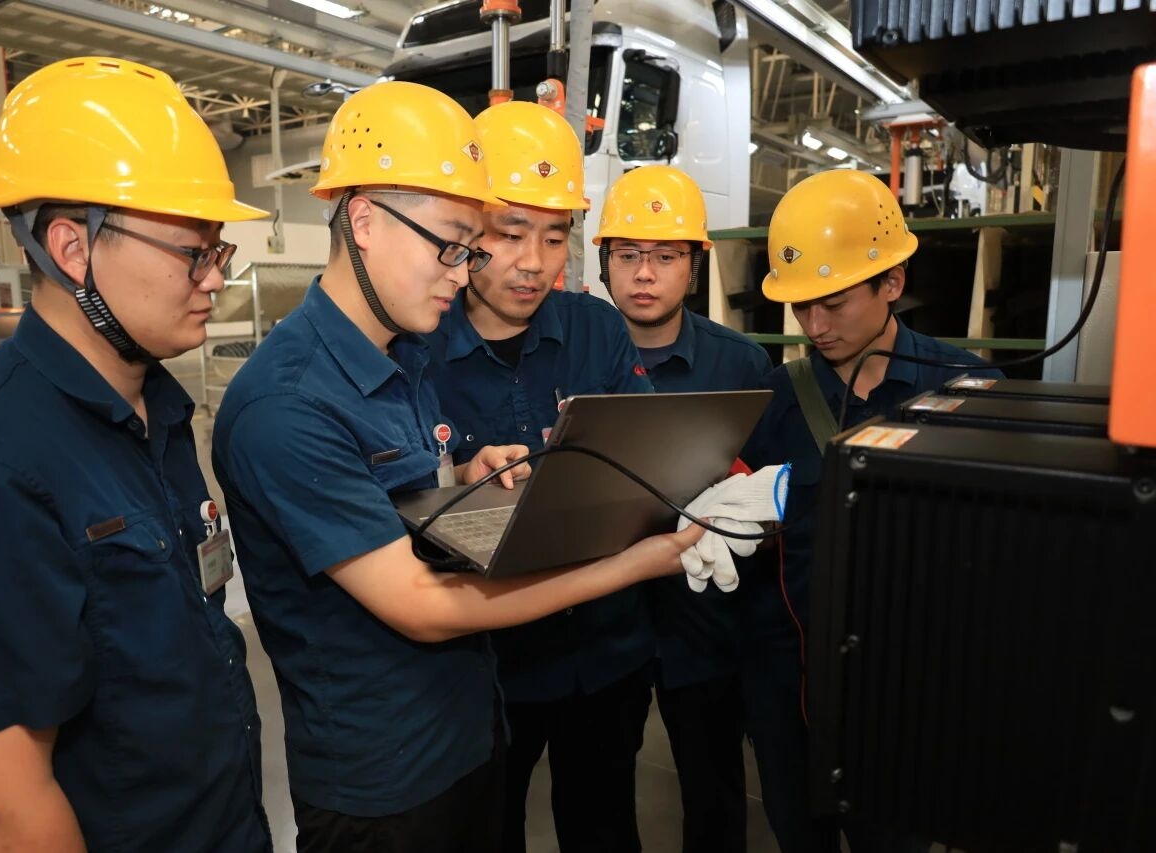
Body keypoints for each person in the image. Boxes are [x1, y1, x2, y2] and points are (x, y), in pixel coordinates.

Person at [210, 81, 704, 853]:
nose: (464, 269)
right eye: (454, 244)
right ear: (364, 221)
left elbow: (392, 512)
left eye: (473, 245)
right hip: (382, 779)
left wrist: (458, 485)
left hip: (465, 731)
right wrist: (634, 562)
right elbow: (420, 603)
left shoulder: (398, 357)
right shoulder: (288, 403)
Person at [0, 57, 273, 852]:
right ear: (72, 248)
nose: (214, 281)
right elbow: (3, 806)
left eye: (218, 251)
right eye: (192, 252)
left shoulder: (159, 411)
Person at [739, 168, 1002, 852]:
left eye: (833, 303)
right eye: (801, 307)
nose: (815, 326)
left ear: (892, 282)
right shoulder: (773, 401)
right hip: (789, 686)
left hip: (911, 695)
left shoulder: (970, 391)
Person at [424, 100, 658, 853]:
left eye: (555, 236)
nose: (534, 261)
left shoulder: (596, 328)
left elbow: (650, 457)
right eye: (510, 232)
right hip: (491, 669)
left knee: (605, 827)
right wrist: (460, 475)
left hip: (607, 654)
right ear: (467, 230)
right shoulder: (419, 348)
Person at [595, 164, 773, 853]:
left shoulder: (741, 366)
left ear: (694, 267)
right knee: (600, 791)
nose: (645, 273)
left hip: (704, 621)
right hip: (604, 622)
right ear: (605, 263)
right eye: (628, 255)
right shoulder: (576, 358)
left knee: (713, 787)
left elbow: (768, 493)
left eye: (666, 256)